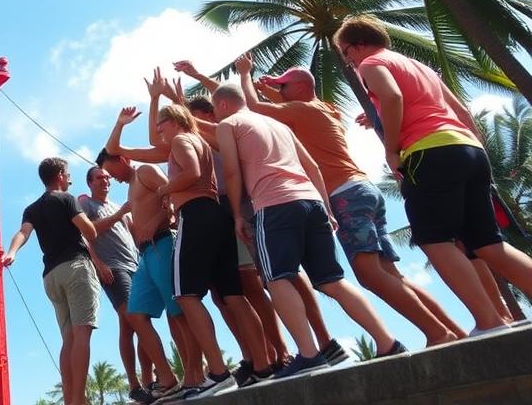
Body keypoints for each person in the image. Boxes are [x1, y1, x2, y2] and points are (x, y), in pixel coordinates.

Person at [234, 52, 465, 346]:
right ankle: (453, 331)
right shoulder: (323, 109)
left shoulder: (302, 111)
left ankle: (437, 334)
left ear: (301, 90)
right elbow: (284, 101)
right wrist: (273, 88)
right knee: (391, 274)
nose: (280, 92)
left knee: (369, 274)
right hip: (363, 190)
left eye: (284, 87)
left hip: (344, 196)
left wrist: (244, 74)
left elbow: (254, 107)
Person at [335, 14, 532, 334]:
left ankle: (489, 321)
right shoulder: (418, 66)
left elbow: (393, 96)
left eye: (345, 53)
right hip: (468, 148)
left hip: (430, 153)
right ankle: (492, 319)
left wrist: (391, 149)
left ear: (357, 47)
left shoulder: (370, 64)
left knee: (434, 239)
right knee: (487, 243)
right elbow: (460, 111)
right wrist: (475, 151)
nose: (348, 61)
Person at [213, 84, 405, 378]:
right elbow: (312, 166)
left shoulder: (229, 123)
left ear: (222, 105)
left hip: (273, 204)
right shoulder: (277, 124)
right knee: (332, 280)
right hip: (312, 201)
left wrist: (239, 213)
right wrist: (326, 208)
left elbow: (231, 172)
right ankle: (387, 342)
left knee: (276, 278)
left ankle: (308, 354)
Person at [173, 61, 347, 369]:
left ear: (214, 112)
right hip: (231, 208)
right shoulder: (212, 131)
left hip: (251, 202)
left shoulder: (225, 128)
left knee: (277, 276)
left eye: (202, 115)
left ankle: (311, 344)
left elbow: (232, 100)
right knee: (247, 285)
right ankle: (273, 354)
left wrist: (194, 85)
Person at [108, 103, 269, 398]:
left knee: (186, 296)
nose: (158, 131)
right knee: (232, 295)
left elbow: (192, 173)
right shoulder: (197, 141)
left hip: (196, 215)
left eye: (161, 125)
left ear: (175, 121)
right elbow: (117, 147)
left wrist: (163, 190)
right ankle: (263, 363)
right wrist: (132, 115)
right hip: (215, 215)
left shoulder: (182, 140)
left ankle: (218, 372)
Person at [95, 148, 194, 403]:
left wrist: (158, 219)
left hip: (161, 243)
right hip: (143, 256)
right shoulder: (128, 189)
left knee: (177, 313)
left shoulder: (146, 171)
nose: (110, 177)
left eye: (110, 170)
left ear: (123, 160)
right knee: (136, 315)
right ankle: (167, 378)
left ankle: (196, 374)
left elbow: (172, 196)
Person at [2, 158, 99, 405]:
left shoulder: (32, 208)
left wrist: (11, 252)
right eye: (68, 174)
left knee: (68, 338)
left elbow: (23, 232)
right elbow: (89, 231)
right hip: (75, 267)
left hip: (51, 276)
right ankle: (78, 400)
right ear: (59, 175)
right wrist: (89, 224)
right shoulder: (67, 199)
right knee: (82, 335)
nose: (70, 179)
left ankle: (70, 400)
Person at [81, 165, 154, 403]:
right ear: (90, 183)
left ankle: (146, 383)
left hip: (136, 265)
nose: (106, 181)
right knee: (137, 318)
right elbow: (86, 235)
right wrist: (98, 263)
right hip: (113, 268)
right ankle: (139, 382)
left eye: (108, 178)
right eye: (100, 178)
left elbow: (134, 232)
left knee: (131, 323)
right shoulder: (87, 205)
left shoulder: (120, 207)